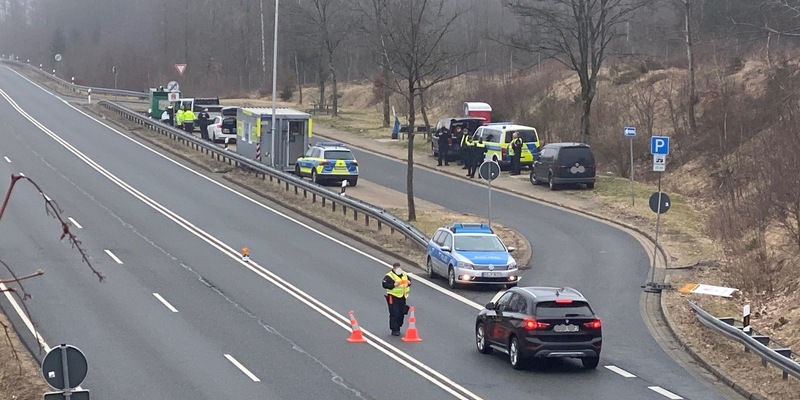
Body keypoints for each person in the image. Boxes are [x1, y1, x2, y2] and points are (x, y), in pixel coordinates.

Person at [382, 262, 411, 336]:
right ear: (393, 268)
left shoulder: (404, 274)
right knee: (394, 313)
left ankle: (398, 326)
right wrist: (393, 285)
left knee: (401, 313)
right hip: (393, 296)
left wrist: (409, 283)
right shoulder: (389, 276)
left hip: (402, 296)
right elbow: (384, 284)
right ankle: (394, 329)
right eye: (396, 268)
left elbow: (409, 281)